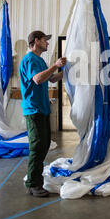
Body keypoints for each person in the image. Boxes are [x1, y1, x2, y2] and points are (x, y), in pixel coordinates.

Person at [20, 30, 67, 197]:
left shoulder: (39, 60)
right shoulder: (29, 60)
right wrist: (55, 65)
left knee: (44, 144)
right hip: (33, 109)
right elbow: (38, 79)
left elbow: (51, 79)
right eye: (45, 40)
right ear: (36, 41)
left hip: (43, 109)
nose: (47, 43)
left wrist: (67, 71)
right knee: (37, 147)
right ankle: (33, 184)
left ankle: (35, 181)